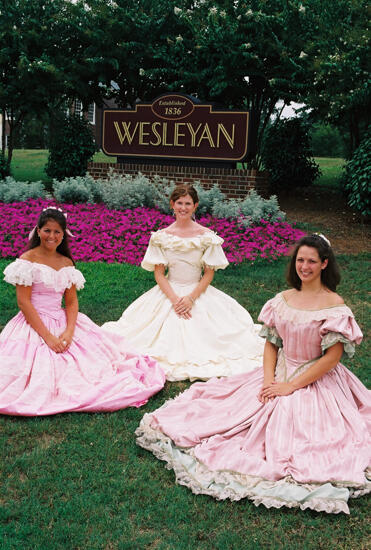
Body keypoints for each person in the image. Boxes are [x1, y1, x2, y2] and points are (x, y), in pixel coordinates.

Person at [136, 234, 371, 514]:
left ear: (324, 264)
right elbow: (272, 344)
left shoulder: (333, 305)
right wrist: (269, 379)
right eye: (300, 260)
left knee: (299, 423)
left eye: (311, 261)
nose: (304, 266)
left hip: (316, 378)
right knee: (241, 409)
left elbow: (332, 358)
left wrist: (290, 386)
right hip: (279, 370)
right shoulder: (282, 300)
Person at [0, 207, 165, 416]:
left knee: (91, 364)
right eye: (47, 230)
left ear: (63, 234)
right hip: (33, 321)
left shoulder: (66, 262)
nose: (52, 236)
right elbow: (24, 303)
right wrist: (49, 337)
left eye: (57, 232)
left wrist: (69, 331)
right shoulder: (27, 260)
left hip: (61, 318)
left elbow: (70, 302)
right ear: (38, 231)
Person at [102, 184, 264, 381]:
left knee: (218, 335)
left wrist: (190, 299)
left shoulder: (207, 237)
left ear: (195, 206)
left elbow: (208, 274)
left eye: (188, 203)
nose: (183, 207)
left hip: (197, 290)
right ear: (172, 204)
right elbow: (160, 274)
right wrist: (175, 300)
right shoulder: (161, 237)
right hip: (170, 290)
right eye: (179, 203)